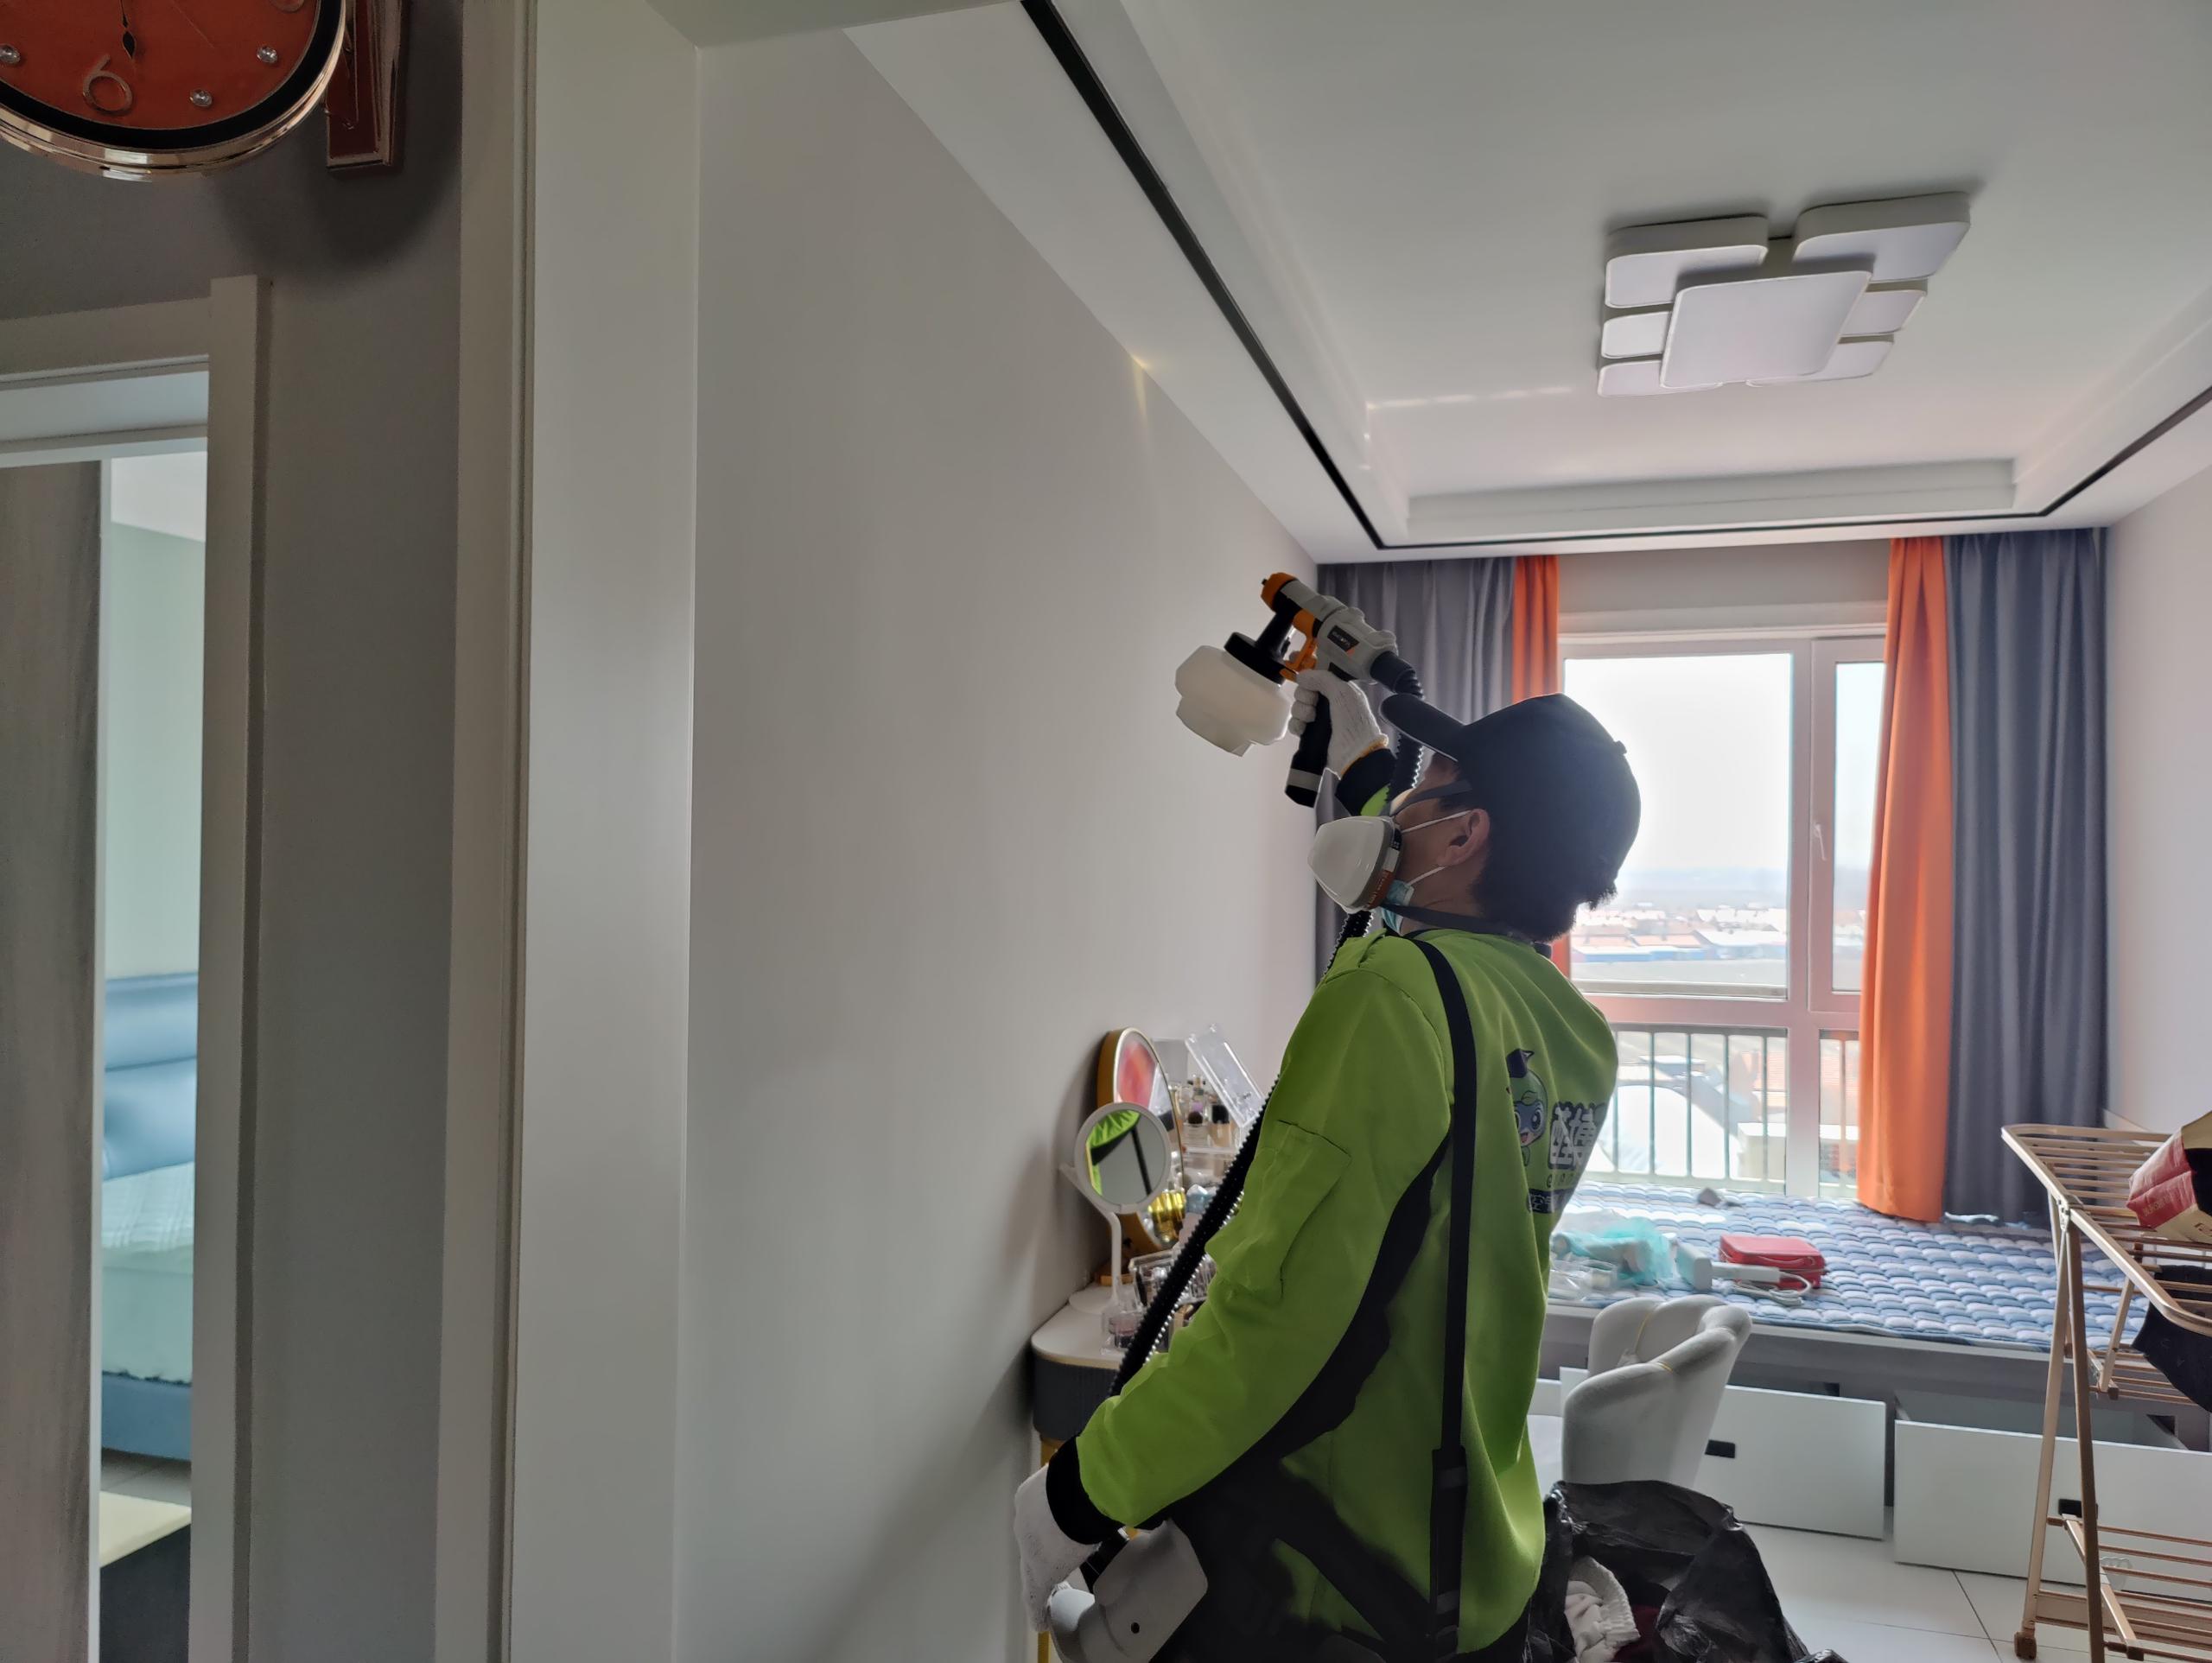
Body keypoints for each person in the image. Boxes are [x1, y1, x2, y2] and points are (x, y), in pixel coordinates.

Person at [1015, 672, 1641, 1660]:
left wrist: (1079, 1492)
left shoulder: (1393, 994)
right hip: (1468, 1547)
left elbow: (1276, 1315)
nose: (1401, 808)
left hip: (1333, 1567)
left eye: (1426, 785)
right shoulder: (1565, 1028)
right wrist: (1362, 764)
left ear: (1465, 833)